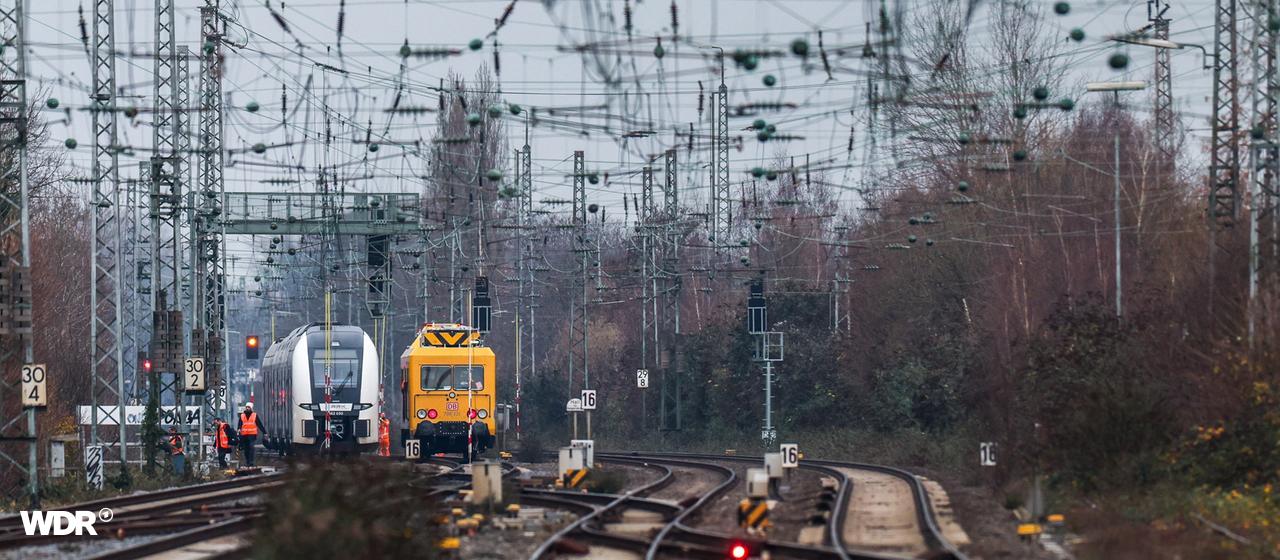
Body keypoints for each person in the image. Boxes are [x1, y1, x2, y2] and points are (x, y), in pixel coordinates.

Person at [237, 402, 264, 467]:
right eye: (246, 407)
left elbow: (259, 424)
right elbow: (240, 424)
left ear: (251, 408)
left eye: (248, 407)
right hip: (244, 435)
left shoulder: (254, 415)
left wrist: (264, 432)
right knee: (246, 449)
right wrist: (238, 429)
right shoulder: (242, 415)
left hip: (252, 435)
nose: (247, 408)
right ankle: (247, 462)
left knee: (251, 447)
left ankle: (251, 461)